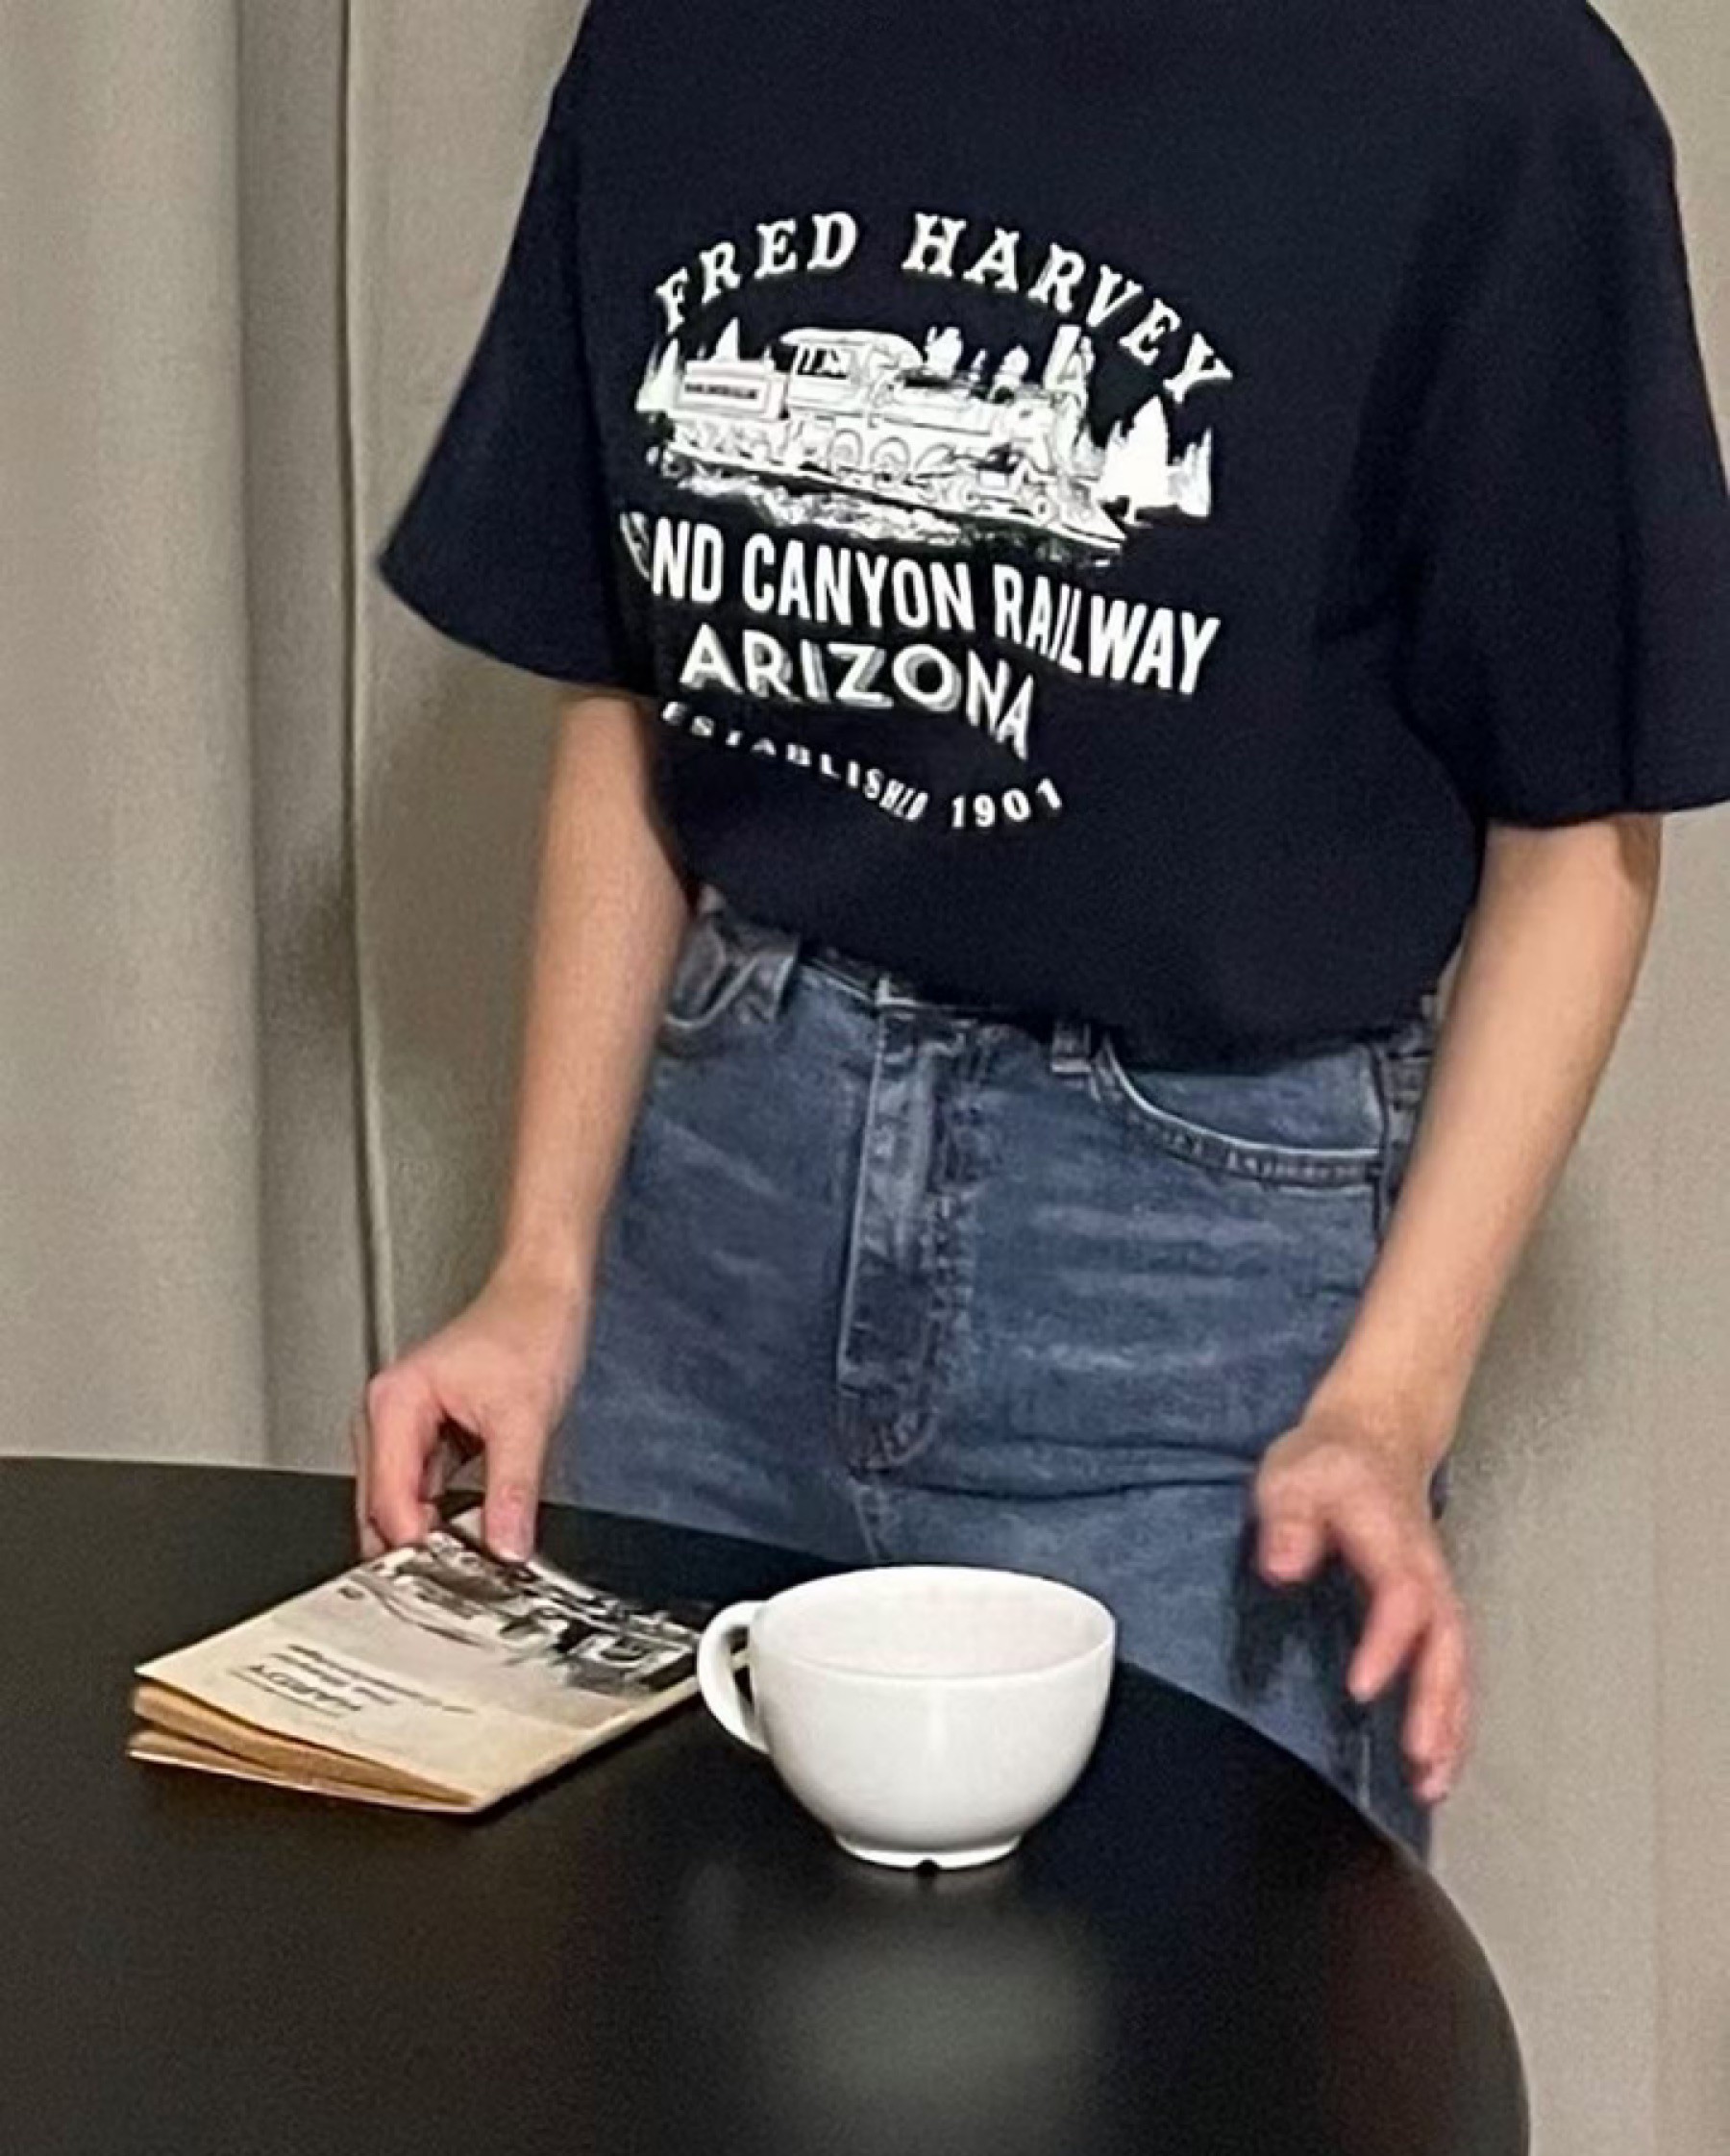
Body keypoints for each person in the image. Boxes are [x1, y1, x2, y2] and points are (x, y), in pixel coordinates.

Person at [355, 0, 1730, 1862]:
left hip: (1199, 1296)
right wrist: (542, 1272)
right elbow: (633, 694)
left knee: (1204, 2026)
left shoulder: (1490, 90)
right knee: (672, 1989)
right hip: (713, 1237)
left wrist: (1389, 1405)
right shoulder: (683, 40)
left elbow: (1576, 832)